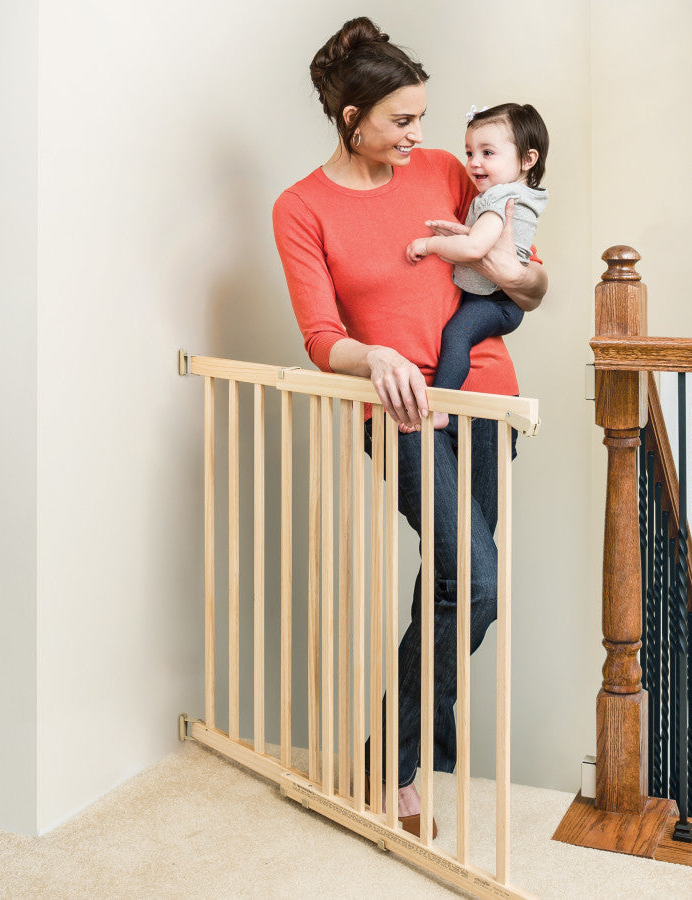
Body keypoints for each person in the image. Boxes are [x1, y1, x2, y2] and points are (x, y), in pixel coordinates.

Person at [272, 16, 547, 838]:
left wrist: (526, 279)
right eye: (401, 120)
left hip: (490, 397)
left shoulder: (441, 173)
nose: (419, 137)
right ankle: (393, 766)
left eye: (422, 119)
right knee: (479, 582)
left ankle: (383, 761)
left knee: (462, 587)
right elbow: (323, 339)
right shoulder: (301, 208)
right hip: (403, 413)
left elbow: (525, 282)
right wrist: (374, 358)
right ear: (352, 118)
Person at [406, 103, 549, 430]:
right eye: (469, 152)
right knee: (458, 332)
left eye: (488, 153)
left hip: (497, 302)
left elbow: (474, 248)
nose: (473, 163)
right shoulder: (505, 195)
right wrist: (463, 233)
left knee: (457, 334)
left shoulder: (501, 200)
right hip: (491, 298)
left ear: (528, 159)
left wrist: (429, 245)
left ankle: (440, 406)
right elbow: (482, 239)